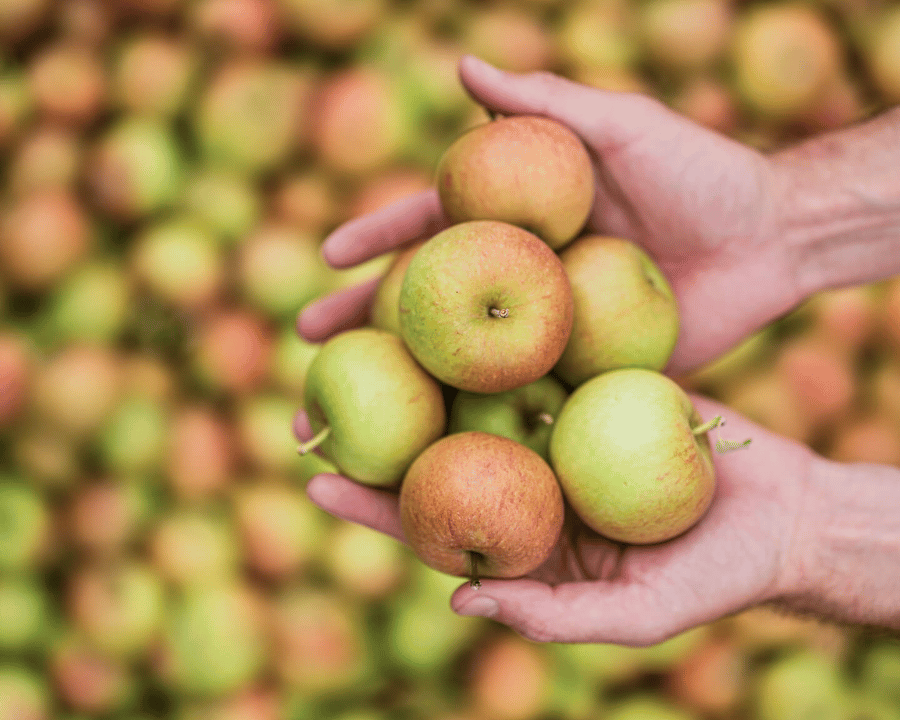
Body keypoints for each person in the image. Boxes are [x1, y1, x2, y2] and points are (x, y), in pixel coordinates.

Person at [294, 55, 900, 645]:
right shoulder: (499, 293)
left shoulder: (509, 292)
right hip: (496, 327)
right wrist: (778, 222)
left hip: (508, 326)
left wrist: (802, 539)